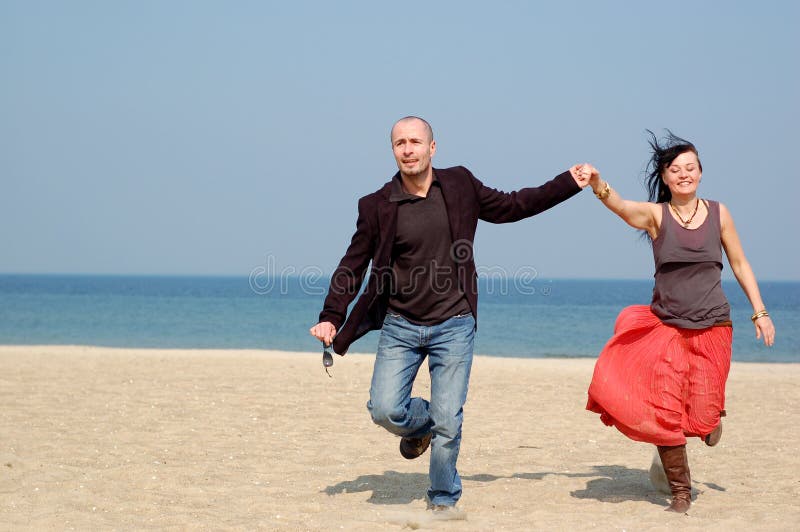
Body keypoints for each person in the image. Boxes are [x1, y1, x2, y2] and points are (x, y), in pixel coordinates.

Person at [309, 116, 590, 516]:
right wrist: (332, 315)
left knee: (450, 420)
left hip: (455, 323)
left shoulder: (459, 185)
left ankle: (443, 500)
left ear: (432, 148)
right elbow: (353, 265)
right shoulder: (376, 205)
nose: (408, 149)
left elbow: (513, 206)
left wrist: (567, 182)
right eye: (400, 143)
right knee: (384, 409)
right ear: (393, 150)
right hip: (401, 325)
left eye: (415, 142)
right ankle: (423, 425)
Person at [582, 131, 776, 514]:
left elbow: (739, 263)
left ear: (700, 173)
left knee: (702, 416)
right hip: (667, 329)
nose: (683, 174)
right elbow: (621, 207)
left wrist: (761, 311)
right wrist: (599, 184)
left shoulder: (720, 214)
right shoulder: (657, 216)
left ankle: (709, 420)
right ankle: (680, 493)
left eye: (690, 168)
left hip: (714, 328)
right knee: (666, 412)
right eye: (675, 170)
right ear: (666, 178)